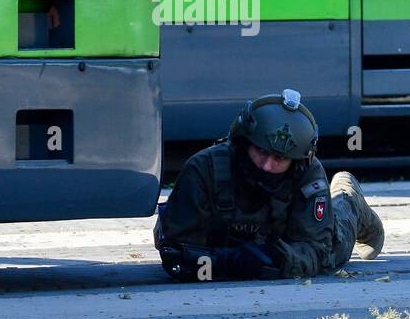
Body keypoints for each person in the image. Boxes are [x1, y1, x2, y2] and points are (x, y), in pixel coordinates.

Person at [154, 89, 385, 282]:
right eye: (261, 152)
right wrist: (225, 262)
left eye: (279, 159)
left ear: (295, 162)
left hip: (287, 239)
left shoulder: (309, 175)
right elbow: (176, 250)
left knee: (336, 246)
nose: (267, 166)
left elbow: (316, 250)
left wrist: (275, 260)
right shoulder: (204, 169)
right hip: (218, 243)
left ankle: (349, 197)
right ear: (244, 142)